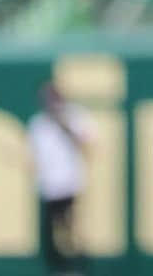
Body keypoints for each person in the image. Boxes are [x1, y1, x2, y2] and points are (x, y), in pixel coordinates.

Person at [27, 81, 93, 276]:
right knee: (50, 235)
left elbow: (86, 143)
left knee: (71, 232)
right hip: (48, 188)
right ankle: (57, 270)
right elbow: (35, 157)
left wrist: (64, 126)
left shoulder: (75, 117)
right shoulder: (38, 123)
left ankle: (77, 270)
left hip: (70, 186)